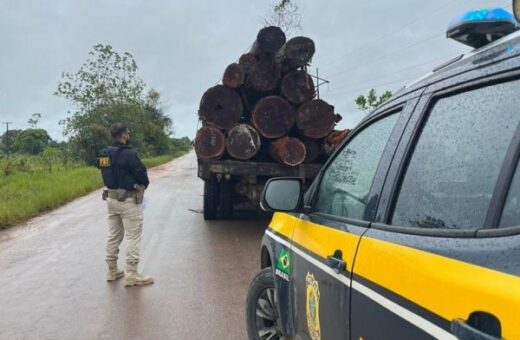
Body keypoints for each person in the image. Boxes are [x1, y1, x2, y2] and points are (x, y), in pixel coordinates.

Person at [97, 123, 153, 287]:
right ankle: (132, 274)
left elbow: (103, 170)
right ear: (123, 135)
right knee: (133, 236)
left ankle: (112, 271)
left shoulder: (103, 154)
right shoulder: (129, 154)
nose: (128, 135)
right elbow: (142, 176)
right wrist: (141, 185)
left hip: (111, 199)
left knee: (113, 236)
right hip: (128, 200)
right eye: (127, 133)